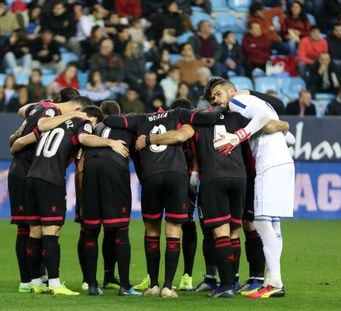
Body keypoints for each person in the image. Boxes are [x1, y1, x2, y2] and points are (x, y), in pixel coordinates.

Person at [103, 101, 226, 298]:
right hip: (176, 176)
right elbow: (208, 118)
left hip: (151, 176)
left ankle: (153, 285)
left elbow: (109, 119)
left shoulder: (139, 119)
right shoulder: (178, 114)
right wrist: (223, 106)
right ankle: (168, 286)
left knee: (151, 231)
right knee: (174, 230)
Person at [11, 96, 129, 296]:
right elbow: (84, 138)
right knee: (51, 232)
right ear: (91, 119)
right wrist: (110, 142)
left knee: (34, 232)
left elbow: (20, 141)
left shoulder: (54, 124)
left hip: (31, 178)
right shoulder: (82, 123)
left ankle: (33, 282)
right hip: (50, 180)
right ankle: (55, 284)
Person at [210, 79, 295, 298]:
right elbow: (290, 137)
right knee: (272, 223)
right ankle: (272, 280)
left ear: (231, 90)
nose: (216, 100)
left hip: (269, 163)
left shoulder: (237, 101)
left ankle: (275, 281)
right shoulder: (260, 103)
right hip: (283, 160)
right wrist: (281, 127)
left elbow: (265, 120)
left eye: (218, 94)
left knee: (260, 220)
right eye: (213, 97)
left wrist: (237, 137)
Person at [6, 88, 81, 293]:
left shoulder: (42, 106)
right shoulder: (51, 114)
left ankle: (38, 278)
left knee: (35, 229)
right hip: (26, 171)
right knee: (28, 229)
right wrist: (15, 143)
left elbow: (22, 111)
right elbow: (20, 141)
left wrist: (17, 135)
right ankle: (27, 280)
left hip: (28, 171)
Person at [80, 101, 142, 296]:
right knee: (120, 231)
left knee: (90, 230)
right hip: (114, 170)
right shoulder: (129, 125)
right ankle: (124, 285)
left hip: (91, 170)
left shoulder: (94, 127)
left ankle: (91, 285)